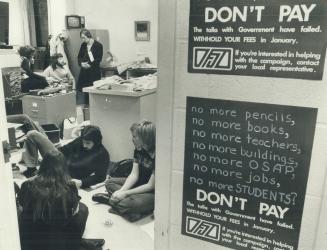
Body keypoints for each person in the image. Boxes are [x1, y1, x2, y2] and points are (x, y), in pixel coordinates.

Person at [18, 150, 89, 250]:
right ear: (63, 167)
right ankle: (76, 243)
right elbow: (74, 212)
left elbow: (21, 207)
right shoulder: (70, 186)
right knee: (83, 209)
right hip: (58, 243)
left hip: (30, 241)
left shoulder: (27, 184)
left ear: (43, 165)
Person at [93, 120, 155, 222]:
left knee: (130, 203)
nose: (132, 139)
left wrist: (125, 193)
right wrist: (122, 191)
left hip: (151, 192)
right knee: (109, 182)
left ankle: (111, 201)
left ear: (145, 137)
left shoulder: (157, 153)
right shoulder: (138, 149)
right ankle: (128, 208)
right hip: (138, 185)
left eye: (135, 136)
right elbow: (134, 175)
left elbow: (150, 186)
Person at [21, 125, 110, 187]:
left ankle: (38, 173)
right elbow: (64, 150)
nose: (84, 145)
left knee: (30, 184)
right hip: (59, 161)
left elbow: (100, 177)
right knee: (32, 134)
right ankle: (31, 169)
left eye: (88, 143)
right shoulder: (81, 140)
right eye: (83, 142)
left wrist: (82, 182)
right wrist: (50, 157)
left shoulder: (102, 154)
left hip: (67, 176)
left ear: (97, 142)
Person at [77, 29, 103, 105]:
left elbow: (99, 59)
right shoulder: (83, 45)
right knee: (85, 92)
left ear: (89, 36)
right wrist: (81, 64)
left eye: (83, 37)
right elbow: (79, 57)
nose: (82, 40)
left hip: (94, 72)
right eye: (81, 38)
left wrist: (90, 65)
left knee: (94, 92)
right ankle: (87, 109)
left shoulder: (98, 45)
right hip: (84, 72)